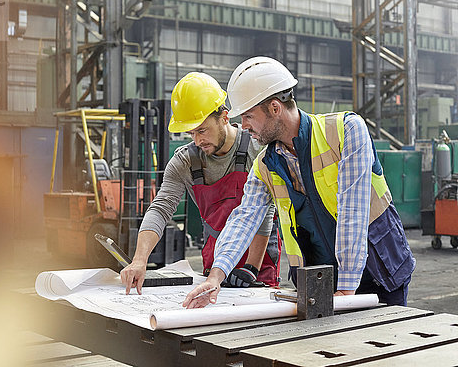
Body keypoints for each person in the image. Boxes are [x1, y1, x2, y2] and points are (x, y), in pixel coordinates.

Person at [183, 56, 416, 308]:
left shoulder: (346, 131)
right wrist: (217, 276)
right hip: (321, 282)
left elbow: (353, 211)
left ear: (274, 108)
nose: (244, 126)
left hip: (379, 272)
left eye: (249, 116)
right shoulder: (265, 164)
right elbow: (244, 218)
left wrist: (347, 290)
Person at [120, 72, 278, 295]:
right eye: (191, 133)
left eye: (202, 130)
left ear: (224, 116)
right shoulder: (185, 161)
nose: (197, 140)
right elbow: (161, 208)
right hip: (213, 260)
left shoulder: (256, 150)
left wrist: (251, 268)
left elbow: (264, 211)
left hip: (258, 260)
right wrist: (139, 260)